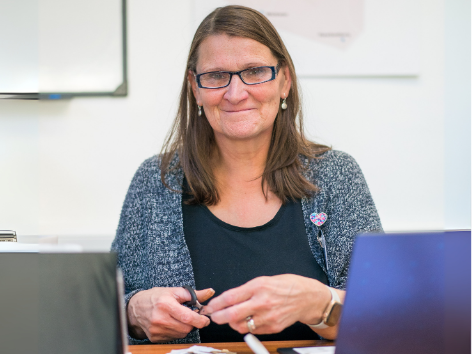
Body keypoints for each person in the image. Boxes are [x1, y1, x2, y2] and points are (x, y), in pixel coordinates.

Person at [111, 5, 382, 345]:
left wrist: (317, 303)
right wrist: (134, 312)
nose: (235, 93)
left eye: (254, 71)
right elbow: (108, 304)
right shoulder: (156, 180)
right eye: (215, 75)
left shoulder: (336, 175)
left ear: (285, 81)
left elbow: (383, 314)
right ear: (195, 88)